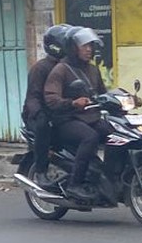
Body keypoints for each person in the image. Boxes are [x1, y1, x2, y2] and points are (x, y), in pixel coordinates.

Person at [44, 27, 108, 203]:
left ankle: (109, 175)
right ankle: (74, 184)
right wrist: (72, 103)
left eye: (91, 46)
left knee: (114, 131)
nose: (89, 49)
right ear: (73, 47)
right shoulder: (61, 70)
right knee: (90, 137)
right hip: (66, 120)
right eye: (84, 45)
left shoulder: (93, 70)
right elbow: (51, 99)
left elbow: (104, 93)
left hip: (89, 117)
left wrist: (126, 98)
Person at [23, 23, 74, 187]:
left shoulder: (71, 67)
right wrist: (40, 114)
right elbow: (33, 97)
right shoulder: (41, 68)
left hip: (62, 111)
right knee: (43, 126)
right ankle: (41, 170)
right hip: (40, 114)